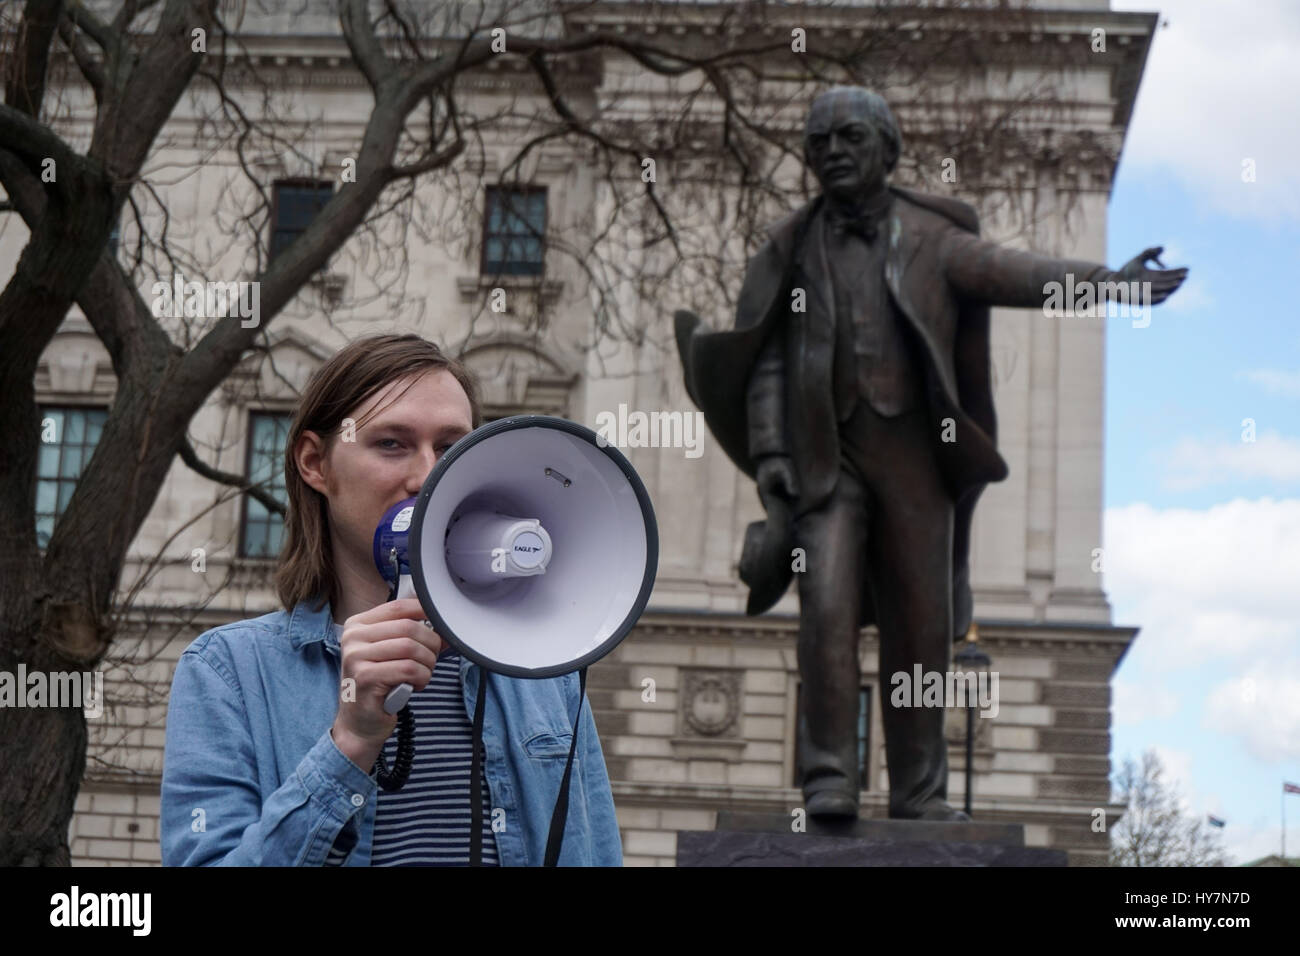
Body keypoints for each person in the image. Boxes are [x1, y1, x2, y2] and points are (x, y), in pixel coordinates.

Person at [676, 86, 1186, 821]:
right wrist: (771, 457)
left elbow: (1017, 275)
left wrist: (1112, 284)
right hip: (829, 464)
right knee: (826, 606)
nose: (833, 154)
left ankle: (919, 791)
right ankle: (828, 779)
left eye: (848, 138)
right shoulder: (791, 246)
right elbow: (769, 363)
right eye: (819, 143)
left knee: (920, 626)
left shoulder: (933, 237)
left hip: (918, 462)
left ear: (888, 148)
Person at [161, 333, 622, 865]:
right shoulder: (229, 674)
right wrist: (351, 742)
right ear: (315, 463)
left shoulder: (541, 668)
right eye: (391, 444)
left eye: (452, 448)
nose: (428, 476)